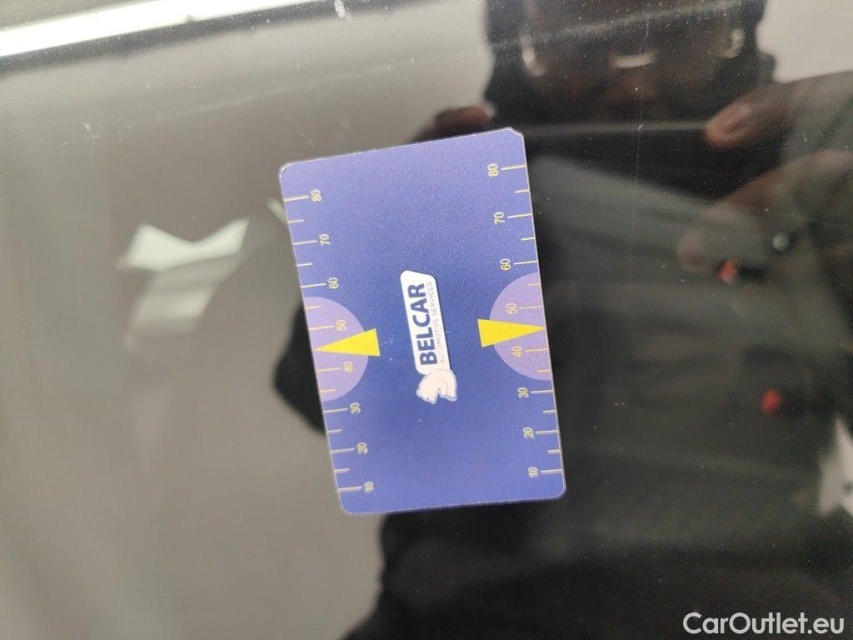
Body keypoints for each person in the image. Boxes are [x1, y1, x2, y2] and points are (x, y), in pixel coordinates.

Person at [275, 1, 853, 637]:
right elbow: (326, 400)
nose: (634, 87)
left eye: (681, 35)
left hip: (760, 596)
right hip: (498, 608)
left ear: (737, 28)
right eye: (580, 45)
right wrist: (385, 253)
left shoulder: (809, 169)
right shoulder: (462, 186)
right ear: (517, 40)